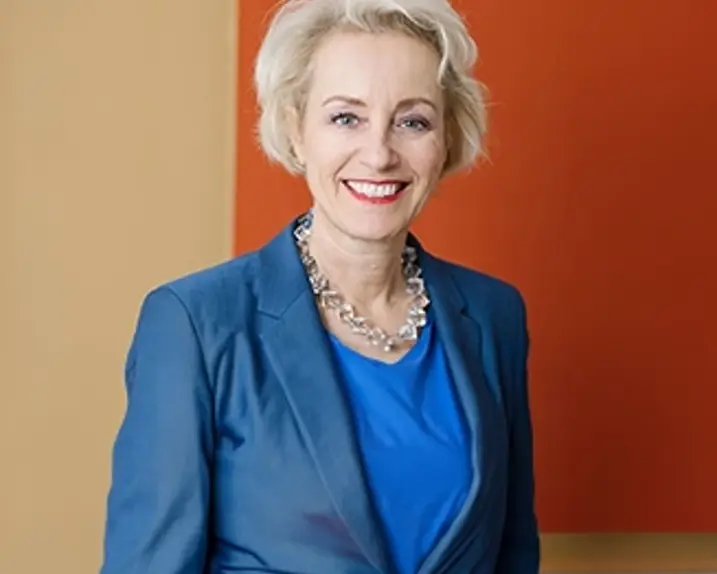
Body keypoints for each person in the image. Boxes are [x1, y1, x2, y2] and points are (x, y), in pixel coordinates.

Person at [99, 0, 540, 572]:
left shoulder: (493, 316)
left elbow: (510, 552)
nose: (379, 154)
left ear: (447, 138)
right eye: (345, 117)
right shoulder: (195, 323)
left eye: (412, 121)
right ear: (295, 130)